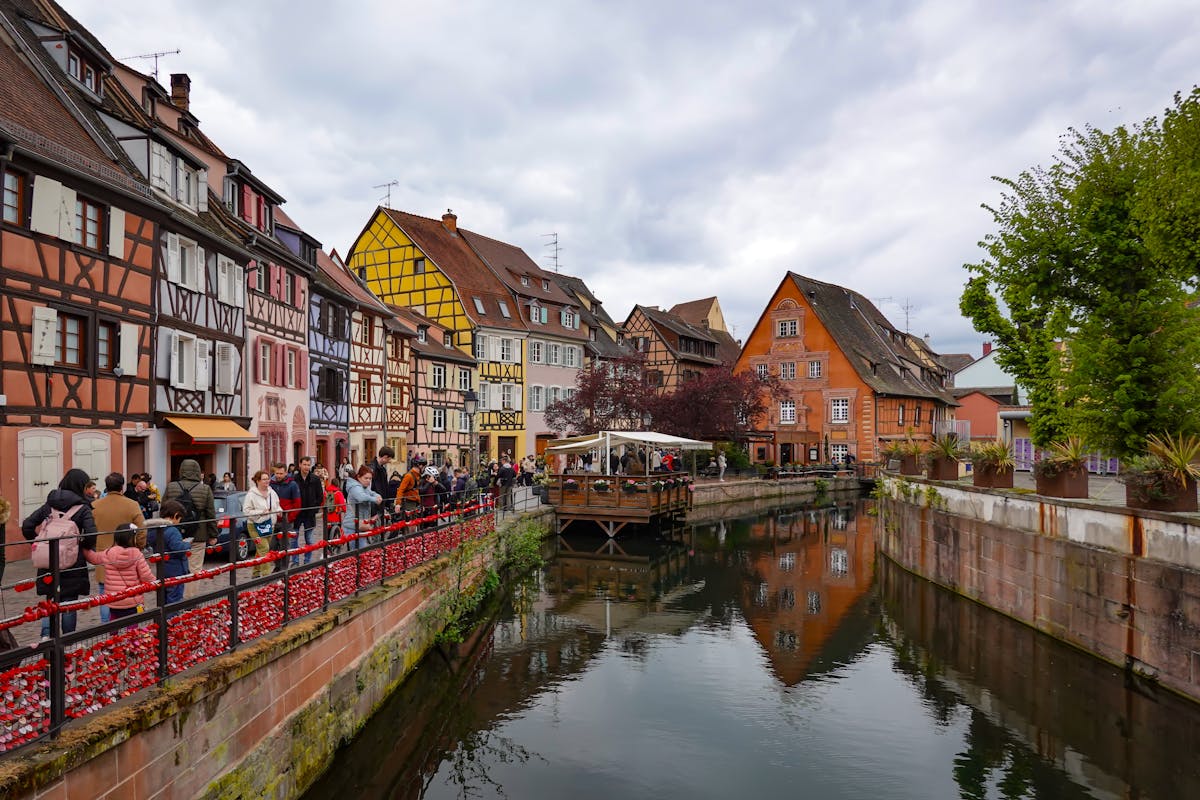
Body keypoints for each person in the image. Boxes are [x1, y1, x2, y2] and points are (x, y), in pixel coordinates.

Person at [21, 469, 98, 639]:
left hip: (49, 560)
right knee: (69, 602)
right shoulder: (82, 507)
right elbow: (92, 534)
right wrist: (81, 546)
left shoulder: (49, 504)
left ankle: (46, 637)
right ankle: (68, 641)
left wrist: (38, 543)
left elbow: (27, 525)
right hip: (72, 563)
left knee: (50, 600)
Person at [91, 473, 146, 624]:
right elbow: (142, 529)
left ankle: (107, 629)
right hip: (128, 555)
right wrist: (139, 546)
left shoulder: (95, 506)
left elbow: (89, 531)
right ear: (122, 486)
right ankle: (130, 632)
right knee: (130, 593)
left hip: (104, 556)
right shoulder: (132, 505)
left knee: (105, 594)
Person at [84, 525, 154, 621]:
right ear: (133, 539)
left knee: (114, 623)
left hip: (114, 599)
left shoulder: (109, 553)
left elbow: (94, 558)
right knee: (133, 626)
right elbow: (146, 576)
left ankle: (113, 635)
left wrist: (82, 547)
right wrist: (156, 583)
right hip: (132, 599)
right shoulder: (137, 554)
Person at [161, 458, 216, 555]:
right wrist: (213, 535)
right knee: (195, 567)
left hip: (175, 532)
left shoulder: (171, 486)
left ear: (181, 471)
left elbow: (163, 510)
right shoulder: (205, 489)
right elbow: (210, 514)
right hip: (198, 534)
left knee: (176, 563)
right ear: (198, 472)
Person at [144, 500, 191, 607]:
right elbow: (178, 548)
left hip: (162, 571)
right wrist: (187, 544)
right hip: (175, 571)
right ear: (175, 516)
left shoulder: (153, 530)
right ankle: (171, 621)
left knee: (163, 600)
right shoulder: (172, 531)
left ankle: (162, 621)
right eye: (179, 519)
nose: (179, 521)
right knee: (174, 600)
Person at [243, 471, 281, 578]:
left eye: (268, 479)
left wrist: (279, 511)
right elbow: (246, 511)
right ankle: (266, 575)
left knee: (261, 549)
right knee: (264, 548)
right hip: (255, 525)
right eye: (264, 479)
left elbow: (277, 505)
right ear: (258, 481)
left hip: (269, 525)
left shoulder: (272, 493)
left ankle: (255, 573)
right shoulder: (251, 495)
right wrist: (260, 512)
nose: (267, 481)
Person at [293, 456, 325, 566]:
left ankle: (307, 562)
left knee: (309, 539)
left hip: (310, 514)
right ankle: (295, 562)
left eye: (308, 465)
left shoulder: (315, 479)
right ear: (300, 465)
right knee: (294, 539)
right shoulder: (294, 479)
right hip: (297, 514)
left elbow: (320, 496)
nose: (306, 467)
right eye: (304, 464)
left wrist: (315, 509)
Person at [269, 463, 300, 571]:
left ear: (286, 473)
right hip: (273, 520)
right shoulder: (271, 484)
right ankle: (277, 565)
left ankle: (284, 568)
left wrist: (289, 518)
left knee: (285, 546)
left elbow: (297, 504)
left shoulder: (292, 485)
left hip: (286, 520)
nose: (278, 475)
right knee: (272, 545)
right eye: (277, 473)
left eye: (281, 473)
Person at [345, 465, 382, 549]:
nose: (368, 481)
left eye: (370, 479)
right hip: (352, 525)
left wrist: (378, 496)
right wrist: (375, 499)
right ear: (358, 477)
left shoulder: (364, 487)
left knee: (359, 553)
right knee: (359, 552)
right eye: (366, 478)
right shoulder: (355, 487)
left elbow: (371, 492)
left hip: (360, 524)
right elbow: (361, 497)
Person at [320, 467, 347, 547]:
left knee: (327, 531)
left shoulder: (326, 492)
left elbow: (322, 503)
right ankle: (335, 543)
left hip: (326, 515)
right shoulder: (338, 493)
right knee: (336, 529)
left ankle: (326, 544)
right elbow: (342, 504)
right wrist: (344, 510)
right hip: (335, 515)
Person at [368, 446, 395, 516]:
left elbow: (385, 487)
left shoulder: (382, 469)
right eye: (389, 459)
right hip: (375, 504)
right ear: (385, 457)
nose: (389, 461)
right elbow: (371, 488)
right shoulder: (372, 469)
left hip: (381, 503)